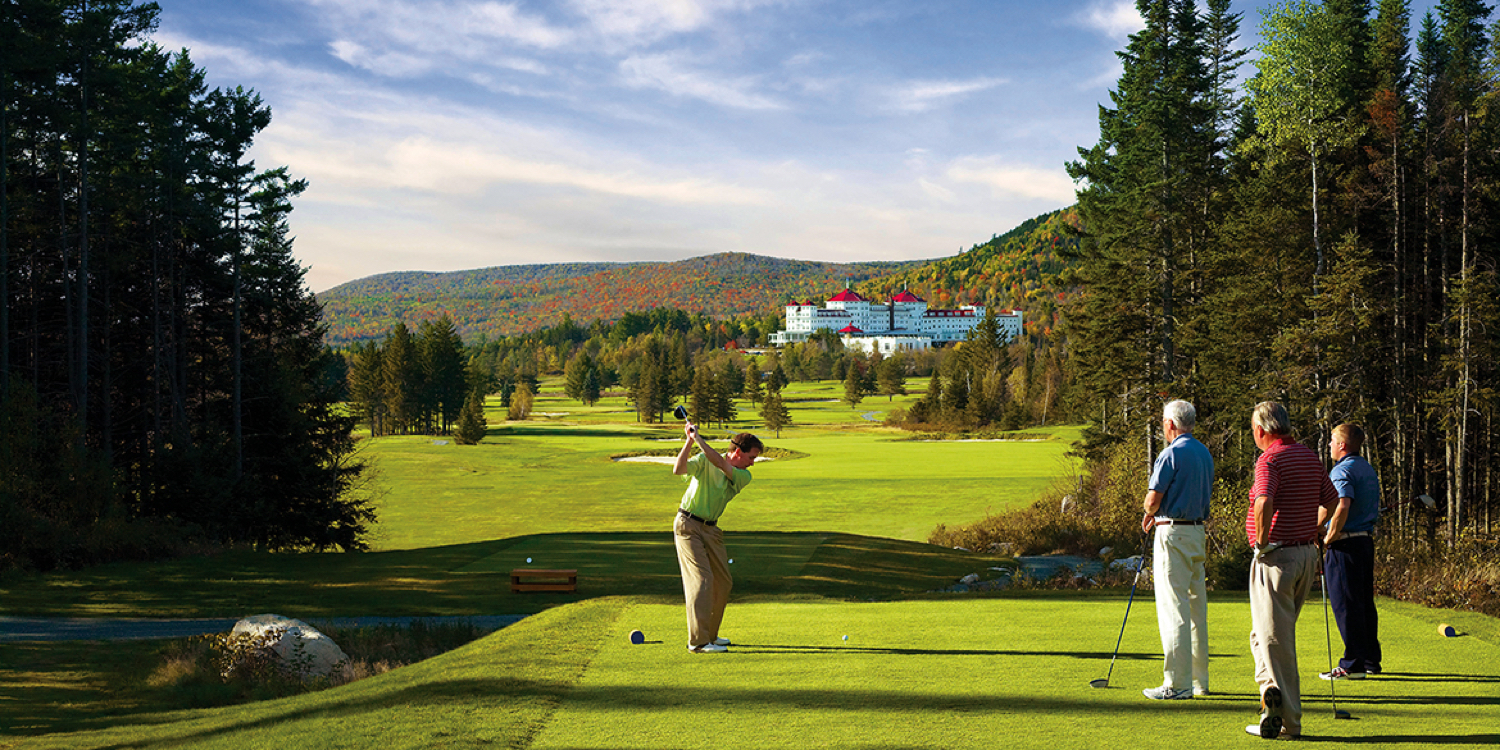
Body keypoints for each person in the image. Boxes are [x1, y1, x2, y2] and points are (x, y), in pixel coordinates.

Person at [1244, 402, 1340, 740]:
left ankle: (1289, 722)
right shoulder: (1308, 456)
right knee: (1262, 635)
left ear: (1261, 430)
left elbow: (1263, 501)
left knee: (1276, 640)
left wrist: (1261, 543)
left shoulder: (1270, 459)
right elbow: (1332, 500)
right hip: (1304, 555)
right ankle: (1269, 694)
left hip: (1277, 557)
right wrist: (1314, 527)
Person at [1140, 400, 1214, 701]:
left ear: (1170, 423)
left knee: (1174, 609)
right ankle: (1199, 681)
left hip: (1173, 532)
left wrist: (1149, 512)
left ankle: (1177, 683)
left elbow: (1152, 500)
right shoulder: (1203, 452)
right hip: (1197, 531)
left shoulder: (1171, 454)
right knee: (1196, 608)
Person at [672, 419, 764, 654]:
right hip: (688, 525)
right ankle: (698, 642)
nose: (752, 463)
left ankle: (710, 635)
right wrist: (689, 441)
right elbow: (678, 469)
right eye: (751, 457)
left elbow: (720, 463)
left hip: (711, 529)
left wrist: (698, 438)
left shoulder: (742, 476)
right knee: (702, 580)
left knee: (723, 582)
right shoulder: (704, 459)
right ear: (738, 452)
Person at [1320, 423, 1382, 679]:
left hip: (1345, 544)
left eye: (1332, 440)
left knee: (1346, 604)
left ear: (1342, 445)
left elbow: (1342, 504)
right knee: (1363, 603)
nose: (1329, 445)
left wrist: (1329, 536)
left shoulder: (1342, 470)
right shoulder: (1366, 468)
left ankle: (1352, 664)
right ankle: (1369, 659)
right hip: (1364, 542)